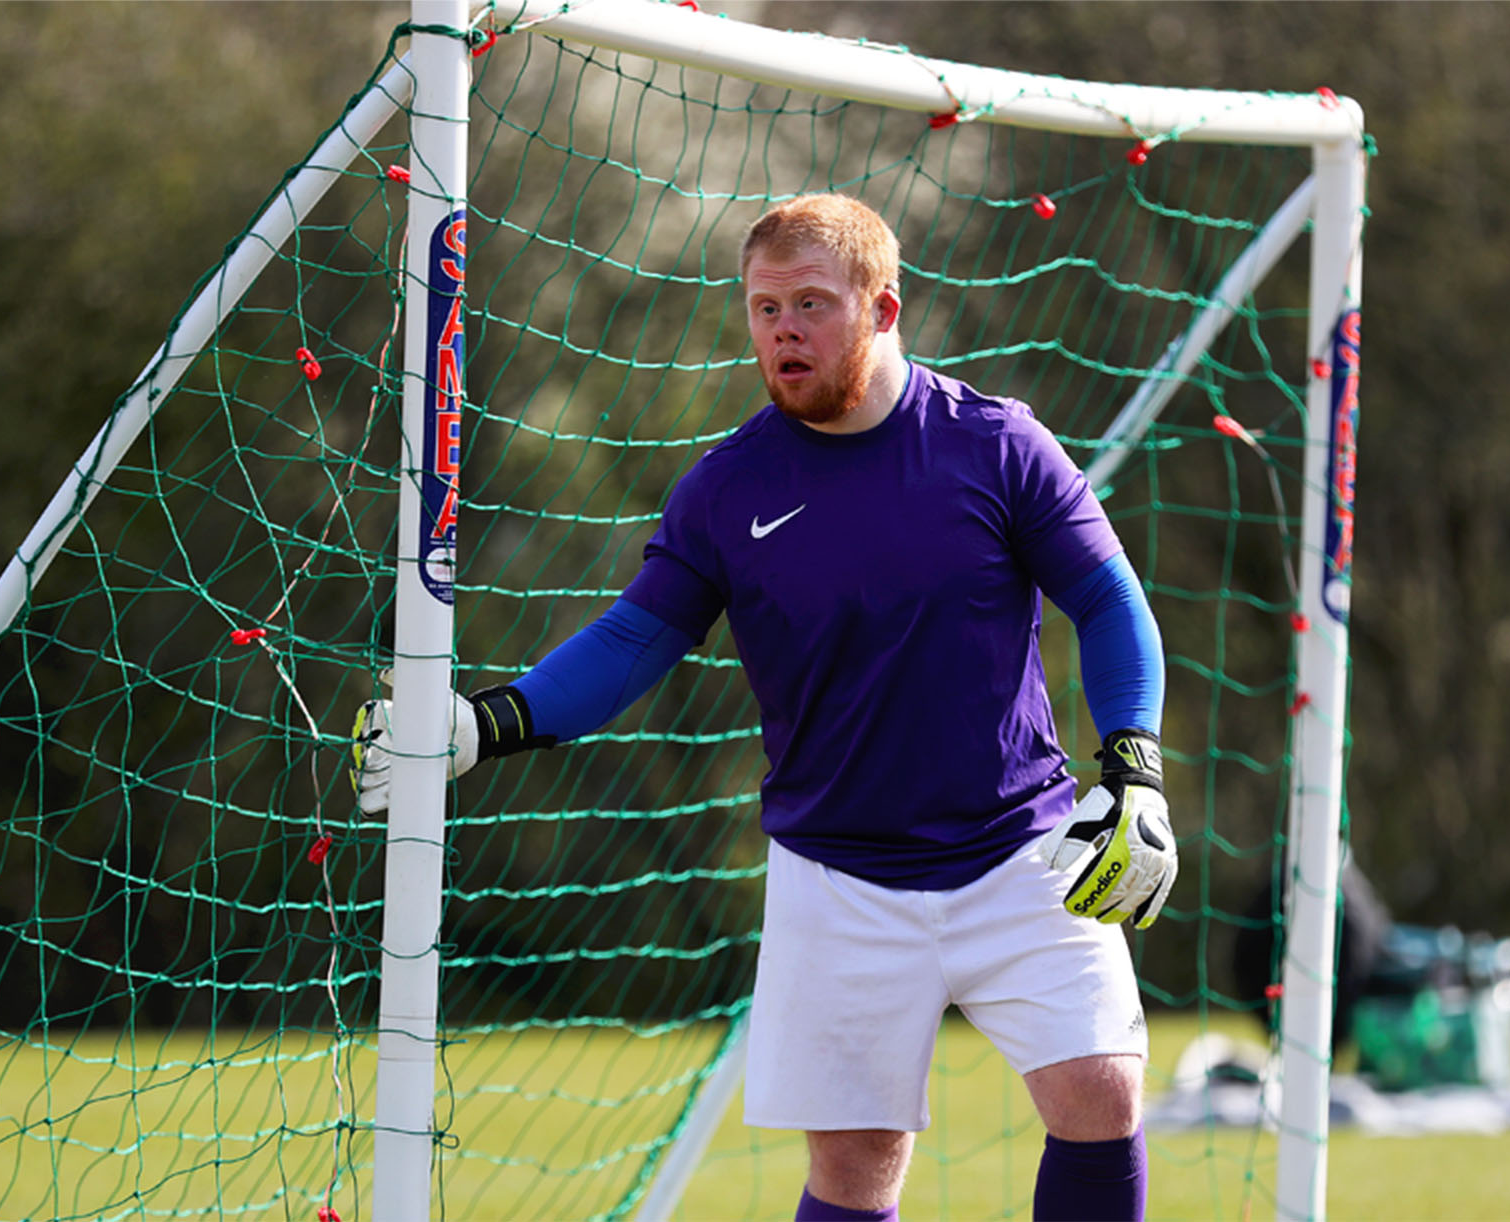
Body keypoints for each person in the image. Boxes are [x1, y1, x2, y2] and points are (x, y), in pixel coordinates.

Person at [354, 194, 1173, 1222]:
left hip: (1022, 843)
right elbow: (633, 638)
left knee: (1100, 1091)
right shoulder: (726, 487)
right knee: (855, 1167)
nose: (783, 329)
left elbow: (1108, 599)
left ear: (883, 309)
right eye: (764, 306)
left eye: (812, 304)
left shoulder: (997, 445)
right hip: (838, 874)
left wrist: (1134, 768)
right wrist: (485, 722)